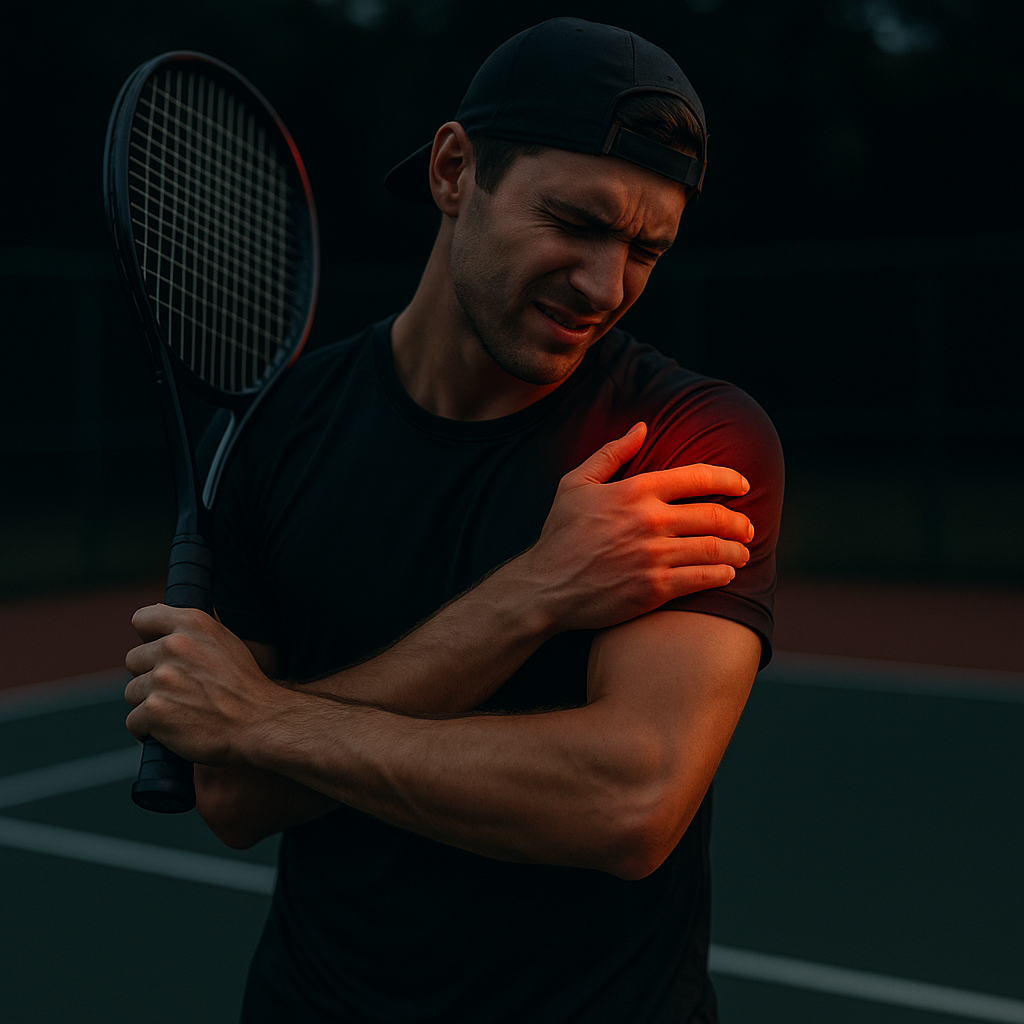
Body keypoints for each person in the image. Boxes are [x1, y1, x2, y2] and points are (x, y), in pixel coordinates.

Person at [125, 17, 784, 1023]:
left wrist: (269, 721)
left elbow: (628, 799)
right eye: (574, 221)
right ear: (451, 169)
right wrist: (532, 595)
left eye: (645, 249)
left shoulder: (687, 436)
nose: (604, 285)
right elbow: (235, 798)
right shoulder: (278, 429)